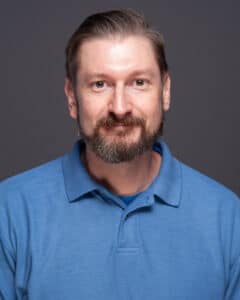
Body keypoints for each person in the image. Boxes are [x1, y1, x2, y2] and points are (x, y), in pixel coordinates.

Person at [0, 8, 239, 300]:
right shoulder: (9, 212)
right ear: (72, 97)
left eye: (139, 82)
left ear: (165, 91)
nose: (120, 107)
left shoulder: (227, 218)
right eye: (99, 84)